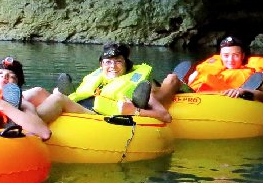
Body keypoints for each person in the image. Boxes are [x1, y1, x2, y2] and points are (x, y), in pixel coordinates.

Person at [25, 42, 171, 123]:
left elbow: (165, 116)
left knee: (58, 99)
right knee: (38, 91)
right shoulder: (97, 79)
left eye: (118, 62)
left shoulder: (135, 83)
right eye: (108, 62)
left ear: (126, 64)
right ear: (101, 65)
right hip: (78, 105)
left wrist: (134, 111)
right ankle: (5, 111)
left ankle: (27, 124)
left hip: (97, 115)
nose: (112, 66)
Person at [151, 34, 263, 105]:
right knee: (166, 80)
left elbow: (261, 96)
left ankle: (157, 99)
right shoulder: (210, 67)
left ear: (242, 56)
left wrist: (241, 91)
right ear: (221, 56)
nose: (231, 59)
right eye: (226, 56)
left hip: (219, 100)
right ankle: (151, 96)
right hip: (191, 95)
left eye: (236, 55)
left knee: (171, 82)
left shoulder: (252, 74)